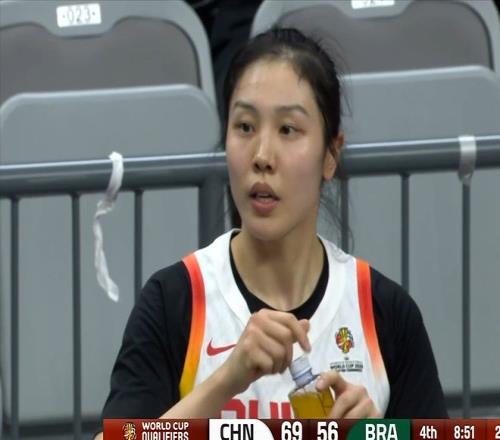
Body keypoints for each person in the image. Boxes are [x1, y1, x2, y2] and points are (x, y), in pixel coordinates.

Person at [95, 27, 447, 437]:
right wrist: (226, 380)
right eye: (245, 127)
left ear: (331, 154)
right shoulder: (175, 300)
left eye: (288, 130)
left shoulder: (385, 312)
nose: (262, 156)